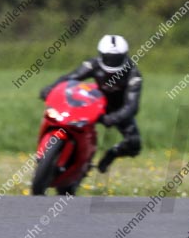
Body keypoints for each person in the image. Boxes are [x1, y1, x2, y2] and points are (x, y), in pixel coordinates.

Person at [40, 35, 143, 173]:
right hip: (93, 102)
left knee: (134, 143)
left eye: (116, 58)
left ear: (124, 55)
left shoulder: (133, 74)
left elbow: (131, 106)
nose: (112, 62)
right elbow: (69, 78)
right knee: (65, 121)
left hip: (118, 109)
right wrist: (51, 89)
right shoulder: (93, 64)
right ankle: (58, 151)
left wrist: (112, 118)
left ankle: (111, 155)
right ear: (101, 55)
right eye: (109, 58)